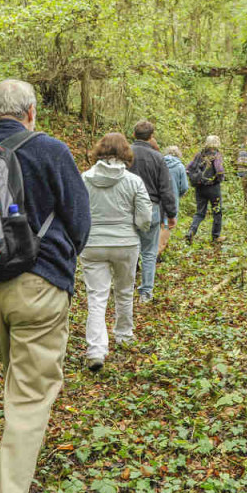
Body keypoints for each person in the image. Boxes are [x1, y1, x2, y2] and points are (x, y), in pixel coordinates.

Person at [0, 79, 91, 493]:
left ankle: (7, 467)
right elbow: (79, 220)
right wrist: (60, 265)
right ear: (31, 112)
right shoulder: (51, 150)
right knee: (30, 398)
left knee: (17, 380)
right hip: (39, 287)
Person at [80, 133, 152, 371]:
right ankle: (124, 335)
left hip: (92, 244)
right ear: (126, 153)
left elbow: (77, 213)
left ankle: (96, 349)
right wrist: (136, 228)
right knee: (123, 291)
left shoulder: (85, 179)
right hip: (125, 243)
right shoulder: (133, 181)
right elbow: (144, 218)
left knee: (96, 296)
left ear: (99, 151)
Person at [127, 120, 177, 303]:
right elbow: (166, 189)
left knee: (129, 249)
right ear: (151, 137)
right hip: (152, 208)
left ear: (134, 135)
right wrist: (171, 214)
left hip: (128, 208)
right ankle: (145, 293)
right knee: (149, 252)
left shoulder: (126, 154)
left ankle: (125, 288)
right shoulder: (158, 158)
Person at [185, 135, 225, 244]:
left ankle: (191, 231)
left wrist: (197, 179)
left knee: (200, 213)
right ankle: (215, 237)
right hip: (213, 188)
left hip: (199, 188)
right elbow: (220, 170)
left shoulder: (199, 154)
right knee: (217, 211)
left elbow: (188, 169)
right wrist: (220, 179)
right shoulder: (216, 155)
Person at [158, 145, 189, 257]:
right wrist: (177, 194)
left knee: (158, 224)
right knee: (167, 225)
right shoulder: (180, 167)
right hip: (172, 199)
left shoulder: (159, 164)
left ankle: (159, 249)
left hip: (158, 199)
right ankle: (159, 251)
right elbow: (184, 187)